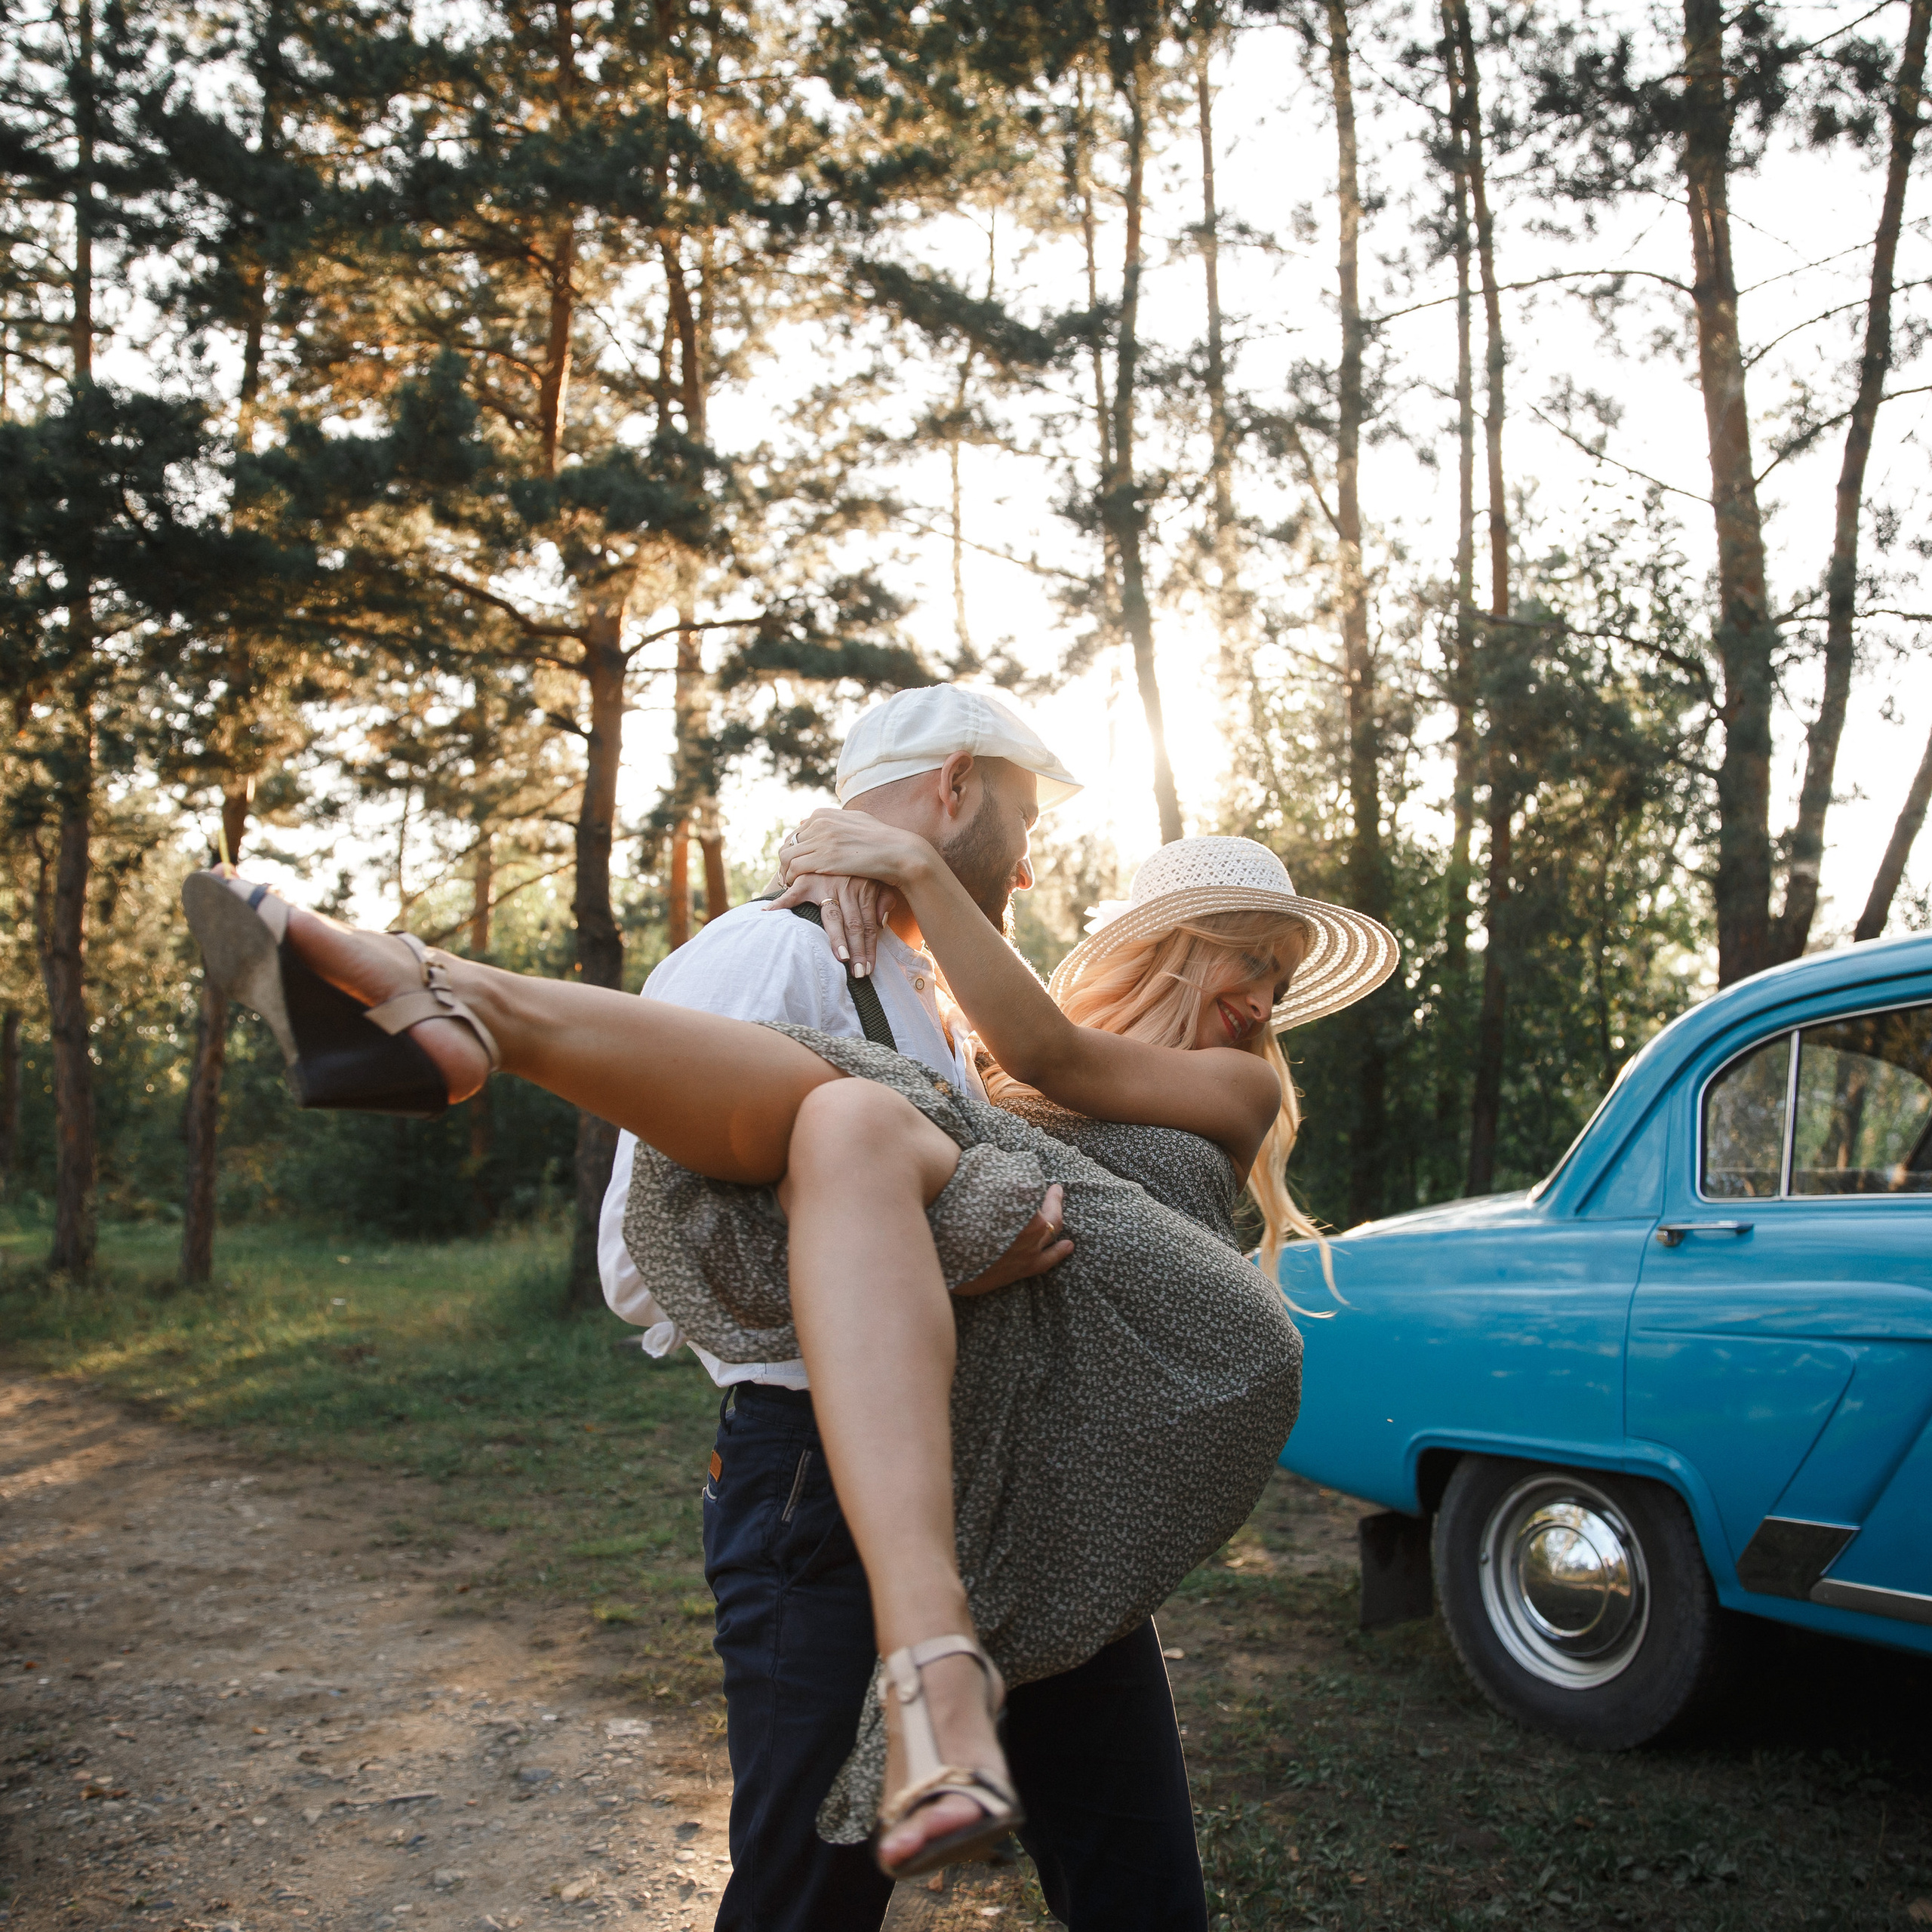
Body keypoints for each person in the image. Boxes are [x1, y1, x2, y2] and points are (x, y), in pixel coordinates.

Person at [180, 688, 1397, 1930]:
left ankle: (451, 995)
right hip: (843, 1478)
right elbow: (646, 1267)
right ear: (956, 783)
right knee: (852, 1115)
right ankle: (445, 1001)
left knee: (856, 1106)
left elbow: (1051, 1067)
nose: (1032, 860)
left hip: (1052, 1464)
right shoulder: (803, 958)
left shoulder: (1106, 1052)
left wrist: (911, 880)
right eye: (1255, 961)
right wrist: (944, 1254)